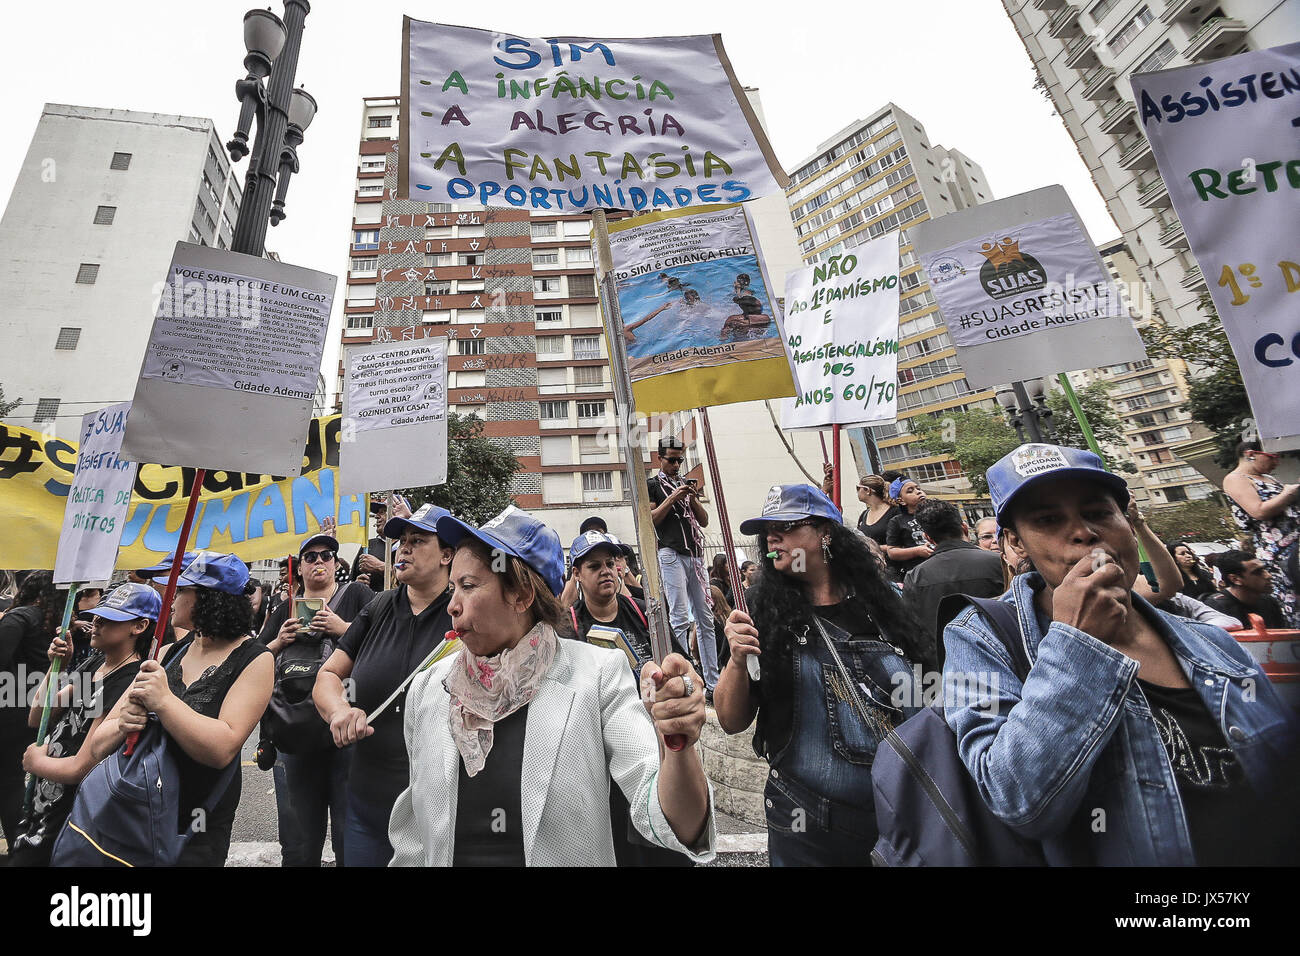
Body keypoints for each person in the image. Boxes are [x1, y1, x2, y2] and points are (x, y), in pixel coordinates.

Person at [942, 443, 1299, 865]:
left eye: (1097, 512)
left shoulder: (1211, 642)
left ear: (1127, 523)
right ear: (1016, 543)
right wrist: (1077, 645)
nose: (1083, 533)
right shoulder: (979, 638)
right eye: (1048, 520)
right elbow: (1018, 802)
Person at [388, 506, 715, 866]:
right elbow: (414, 841)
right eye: (453, 587)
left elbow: (674, 820)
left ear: (522, 594)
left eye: (468, 586)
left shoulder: (598, 675)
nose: (452, 605)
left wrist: (678, 744)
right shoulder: (429, 688)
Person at [715, 484, 931, 866]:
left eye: (787, 525)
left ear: (825, 532)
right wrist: (736, 659)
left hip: (898, 813)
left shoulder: (885, 606)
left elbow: (926, 699)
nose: (772, 536)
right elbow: (731, 720)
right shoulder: (757, 612)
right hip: (803, 820)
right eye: (767, 530)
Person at [89, 551, 274, 867]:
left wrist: (163, 702)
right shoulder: (166, 653)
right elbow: (97, 745)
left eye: (182, 588)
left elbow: (223, 747)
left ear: (208, 599)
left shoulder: (255, 659)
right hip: (137, 809)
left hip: (196, 827)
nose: (170, 595)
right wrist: (123, 724)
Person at [314, 503, 454, 867]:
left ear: (447, 554)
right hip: (366, 809)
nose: (402, 549)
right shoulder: (377, 609)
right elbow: (328, 676)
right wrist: (339, 712)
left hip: (441, 813)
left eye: (417, 540)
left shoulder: (465, 613)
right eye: (401, 541)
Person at [10, 584, 157, 866]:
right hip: (42, 806)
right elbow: (38, 717)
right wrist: (58, 667)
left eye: (109, 618)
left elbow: (83, 765)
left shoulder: (128, 682)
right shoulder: (94, 665)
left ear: (139, 626)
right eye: (97, 617)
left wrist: (35, 763)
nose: (96, 623)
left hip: (71, 815)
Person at [260, 530, 374, 867]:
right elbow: (252, 662)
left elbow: (385, 640)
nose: (320, 561)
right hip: (294, 735)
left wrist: (343, 628)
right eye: (311, 557)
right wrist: (279, 641)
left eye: (327, 555)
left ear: (337, 563)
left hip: (346, 733)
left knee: (348, 836)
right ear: (300, 568)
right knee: (297, 843)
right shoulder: (284, 610)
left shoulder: (357, 594)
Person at [647, 437, 719, 696]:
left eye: (680, 460)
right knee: (678, 617)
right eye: (672, 460)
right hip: (670, 553)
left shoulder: (682, 484)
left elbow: (705, 520)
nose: (677, 465)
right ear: (660, 459)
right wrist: (673, 498)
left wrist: (693, 498)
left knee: (706, 619)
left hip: (695, 555)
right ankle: (684, 678)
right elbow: (650, 519)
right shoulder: (653, 485)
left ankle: (713, 681)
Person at [0, 570, 58, 854]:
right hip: (32, 709)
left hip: (7, 709)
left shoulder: (20, 617)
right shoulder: (54, 623)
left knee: (9, 781)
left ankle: (16, 844)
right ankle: (18, 843)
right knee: (11, 779)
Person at [903, 499, 1005, 657]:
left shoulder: (915, 577)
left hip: (946, 666)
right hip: (1004, 656)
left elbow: (913, 631)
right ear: (964, 528)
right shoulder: (1000, 563)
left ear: (928, 538)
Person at [1223, 440, 1299, 626]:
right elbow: (1258, 511)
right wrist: (1288, 493)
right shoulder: (1236, 479)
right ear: (1251, 454)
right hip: (1280, 552)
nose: (1276, 462)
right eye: (1272, 457)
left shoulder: (1270, 479)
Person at [1202, 550, 1287, 629]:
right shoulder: (1216, 607)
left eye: (1265, 570)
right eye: (1257, 572)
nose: (1268, 576)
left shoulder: (1269, 602)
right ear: (1235, 579)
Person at [350, 494, 413, 591]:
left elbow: (417, 577)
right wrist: (358, 584)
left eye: (384, 512)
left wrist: (381, 567)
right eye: (377, 513)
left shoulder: (410, 547)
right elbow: (351, 579)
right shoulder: (368, 545)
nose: (377, 516)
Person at [882, 477, 933, 575]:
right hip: (920, 573)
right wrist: (918, 551)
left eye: (918, 488)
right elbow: (892, 551)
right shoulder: (897, 521)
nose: (918, 492)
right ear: (901, 500)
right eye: (910, 491)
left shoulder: (938, 511)